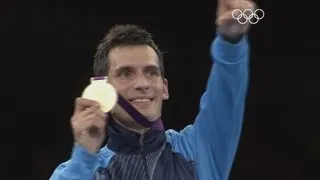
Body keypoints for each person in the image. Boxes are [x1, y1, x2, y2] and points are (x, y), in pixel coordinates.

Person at [50, 0, 256, 179]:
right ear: (103, 91)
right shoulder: (81, 170)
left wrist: (231, 42)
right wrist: (85, 156)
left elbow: (227, 94)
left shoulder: (197, 150)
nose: (142, 84)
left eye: (151, 72)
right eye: (126, 73)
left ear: (164, 88)